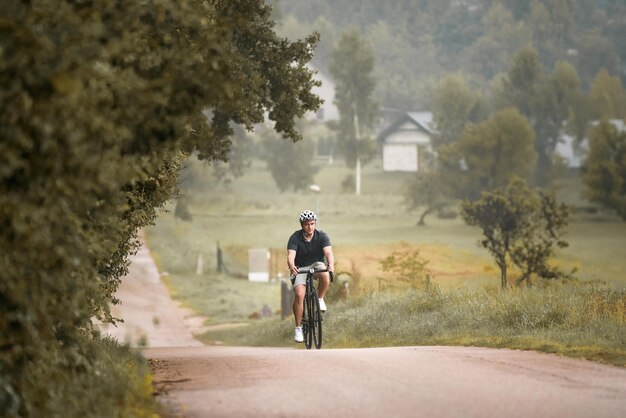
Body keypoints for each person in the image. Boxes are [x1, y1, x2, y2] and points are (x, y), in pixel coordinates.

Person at [287, 210, 334, 343]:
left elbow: (329, 253)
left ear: (315, 224)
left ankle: (319, 299)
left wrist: (331, 264)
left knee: (325, 274)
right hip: (300, 268)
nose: (310, 227)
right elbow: (291, 256)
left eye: (312, 224)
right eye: (307, 224)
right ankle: (298, 328)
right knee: (300, 295)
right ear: (302, 225)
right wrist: (291, 266)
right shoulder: (295, 237)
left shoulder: (322, 236)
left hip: (316, 264)